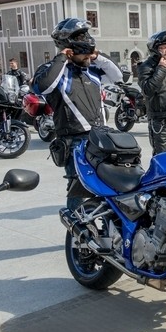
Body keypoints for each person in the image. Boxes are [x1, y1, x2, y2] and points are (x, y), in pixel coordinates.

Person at [35, 18, 123, 210]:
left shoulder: (92, 71)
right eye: (84, 54)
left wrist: (97, 56)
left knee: (107, 183)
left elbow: (118, 76)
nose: (87, 58)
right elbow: (43, 86)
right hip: (74, 140)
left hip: (101, 136)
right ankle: (76, 230)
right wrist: (61, 58)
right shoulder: (54, 71)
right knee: (78, 187)